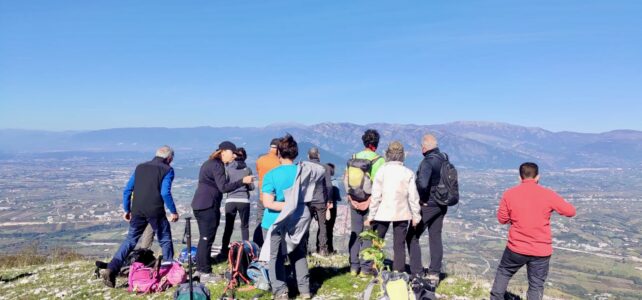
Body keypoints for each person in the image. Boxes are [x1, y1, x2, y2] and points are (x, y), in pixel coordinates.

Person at [490, 162, 576, 300]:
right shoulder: (548, 194)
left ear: (520, 177)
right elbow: (571, 211)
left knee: (504, 272)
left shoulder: (509, 194)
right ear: (538, 177)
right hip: (541, 250)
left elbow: (502, 219)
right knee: (536, 285)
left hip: (516, 248)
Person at [259, 134, 326, 300]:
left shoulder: (272, 175)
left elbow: (268, 203)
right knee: (298, 253)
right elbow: (322, 170)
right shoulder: (304, 172)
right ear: (295, 154)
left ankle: (281, 292)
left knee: (275, 257)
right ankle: (304, 290)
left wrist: (287, 206)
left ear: (279, 154)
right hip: (299, 219)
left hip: (274, 220)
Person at [101, 146, 179, 288]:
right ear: (169, 158)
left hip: (137, 209)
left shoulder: (140, 167)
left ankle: (112, 268)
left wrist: (127, 209)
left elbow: (127, 189)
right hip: (155, 210)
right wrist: (173, 211)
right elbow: (165, 193)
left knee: (130, 240)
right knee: (165, 239)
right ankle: (169, 272)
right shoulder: (167, 170)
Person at [191, 141, 253, 282]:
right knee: (207, 239)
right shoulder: (217, 165)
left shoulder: (209, 163)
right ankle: (205, 272)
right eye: (232, 154)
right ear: (224, 151)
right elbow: (223, 187)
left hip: (200, 204)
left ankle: (201, 268)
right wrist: (242, 181)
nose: (233, 158)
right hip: (208, 205)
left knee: (204, 238)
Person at [365, 141, 421, 273]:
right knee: (399, 245)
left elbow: (376, 196)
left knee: (378, 241)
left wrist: (371, 216)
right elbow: (413, 197)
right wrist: (416, 215)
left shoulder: (381, 171)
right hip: (402, 213)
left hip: (382, 212)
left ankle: (376, 269)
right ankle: (398, 271)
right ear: (402, 155)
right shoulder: (408, 173)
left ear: (387, 154)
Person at [406, 134, 448, 281]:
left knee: (411, 236)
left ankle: (416, 272)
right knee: (435, 237)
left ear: (424, 148)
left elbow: (422, 184)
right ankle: (434, 273)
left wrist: (421, 199)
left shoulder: (427, 162)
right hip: (442, 204)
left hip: (429, 204)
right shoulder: (444, 159)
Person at [345, 129, 385, 276]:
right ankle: (365, 268)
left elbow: (347, 180)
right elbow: (379, 185)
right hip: (370, 202)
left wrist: (351, 199)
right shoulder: (379, 160)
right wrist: (369, 201)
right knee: (368, 233)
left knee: (355, 232)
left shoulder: (354, 157)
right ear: (376, 143)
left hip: (354, 200)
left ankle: (353, 267)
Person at [219, 147, 255, 256]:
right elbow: (251, 187)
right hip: (244, 200)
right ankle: (246, 252)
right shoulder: (247, 169)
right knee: (244, 226)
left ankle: (224, 250)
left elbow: (226, 185)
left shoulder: (227, 168)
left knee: (228, 227)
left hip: (230, 200)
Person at [254, 138, 281, 247]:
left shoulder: (260, 160)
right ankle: (273, 247)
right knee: (275, 222)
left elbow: (258, 171)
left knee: (260, 221)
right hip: (274, 198)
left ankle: (257, 247)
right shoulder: (279, 162)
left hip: (262, 195)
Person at [307, 147, 333, 256]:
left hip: (307, 201)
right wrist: (329, 200)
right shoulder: (325, 167)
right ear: (319, 155)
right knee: (322, 226)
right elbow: (328, 185)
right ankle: (322, 249)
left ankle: (303, 248)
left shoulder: (305, 167)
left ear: (308, 156)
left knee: (305, 225)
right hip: (321, 200)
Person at [326, 163, 341, 254]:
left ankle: (319, 247)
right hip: (332, 207)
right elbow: (337, 196)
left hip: (322, 207)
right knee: (330, 228)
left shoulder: (321, 180)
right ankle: (330, 249)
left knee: (322, 228)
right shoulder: (334, 181)